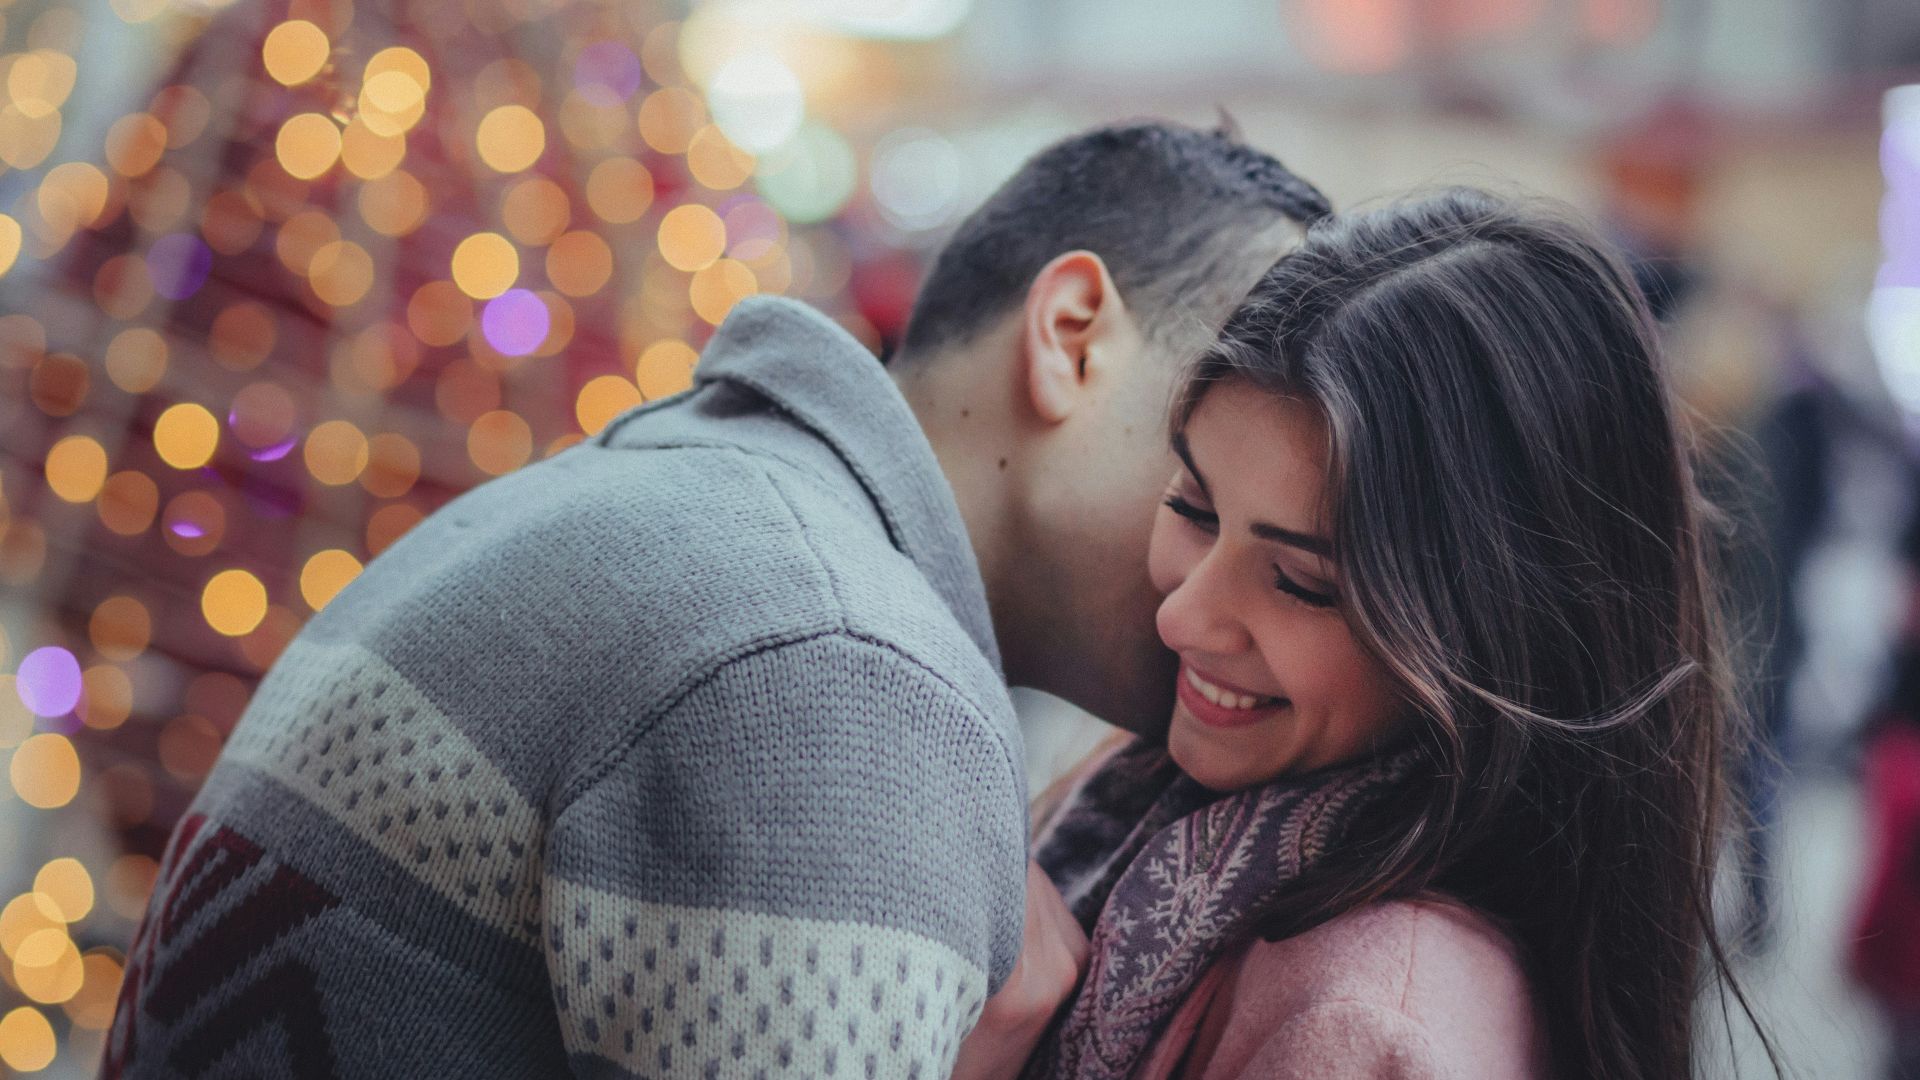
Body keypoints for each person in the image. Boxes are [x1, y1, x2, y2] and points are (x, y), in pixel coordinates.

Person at [103, 121, 1332, 1078]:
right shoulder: (833, 659)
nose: (1241, 561)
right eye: (1216, 446)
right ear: (1070, 337)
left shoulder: (686, 506)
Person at [1020, 188, 1775, 1080]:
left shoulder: (1363, 1022)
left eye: (1301, 584)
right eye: (1192, 507)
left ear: (1497, 631)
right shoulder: (1153, 792)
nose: (1181, 615)